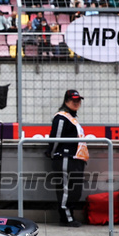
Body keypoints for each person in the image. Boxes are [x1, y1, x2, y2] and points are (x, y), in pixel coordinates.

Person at [48, 89, 88, 227]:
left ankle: (69, 216)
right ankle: (66, 218)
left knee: (74, 190)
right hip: (65, 158)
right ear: (66, 101)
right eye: (73, 100)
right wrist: (52, 153)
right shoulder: (61, 117)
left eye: (78, 100)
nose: (76, 103)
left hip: (75, 159)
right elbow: (55, 138)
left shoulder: (72, 118)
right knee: (66, 189)